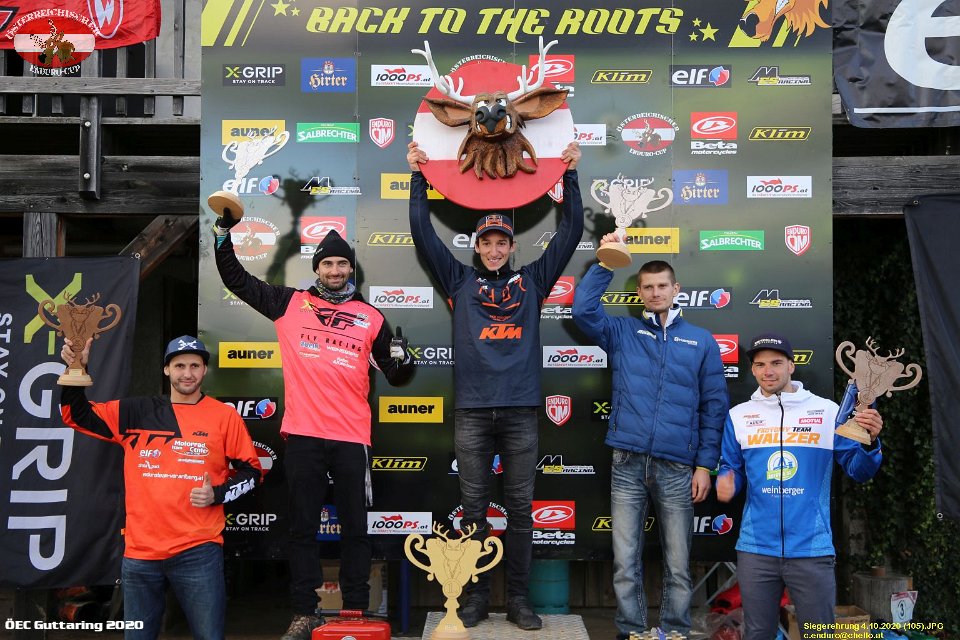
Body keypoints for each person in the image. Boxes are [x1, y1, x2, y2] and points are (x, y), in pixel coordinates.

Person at [406, 140, 584, 630]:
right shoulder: (459, 280)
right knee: (473, 511)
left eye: (501, 242)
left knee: (522, 510)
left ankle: (520, 601)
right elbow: (423, 232)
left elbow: (570, 231)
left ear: (512, 246)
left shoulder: (533, 281)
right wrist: (418, 176)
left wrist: (570, 176)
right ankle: (477, 597)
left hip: (521, 411)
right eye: (485, 242)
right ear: (476, 247)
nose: (493, 249)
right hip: (472, 412)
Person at [212, 221, 414, 640]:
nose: (335, 270)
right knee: (302, 527)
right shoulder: (289, 303)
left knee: (355, 528)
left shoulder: (371, 316)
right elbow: (236, 280)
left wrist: (404, 360)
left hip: (351, 437)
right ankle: (304, 613)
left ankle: (355, 609)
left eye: (342, 264)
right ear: (317, 268)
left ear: (350, 269)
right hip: (303, 434)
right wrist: (221, 236)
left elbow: (396, 377)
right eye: (327, 264)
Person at [572, 239, 729, 639]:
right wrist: (606, 263)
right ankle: (631, 631)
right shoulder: (623, 331)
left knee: (678, 563)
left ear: (676, 289)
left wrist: (705, 465)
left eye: (662, 286)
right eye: (648, 287)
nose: (656, 292)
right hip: (627, 462)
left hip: (678, 466)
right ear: (639, 292)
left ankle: (674, 632)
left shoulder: (701, 341)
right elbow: (583, 310)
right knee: (625, 560)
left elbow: (714, 408)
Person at [59, 335, 262, 640]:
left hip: (198, 549)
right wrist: (76, 367)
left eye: (195, 366)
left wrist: (217, 494)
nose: (187, 373)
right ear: (166, 370)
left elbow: (252, 472)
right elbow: (75, 415)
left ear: (204, 370)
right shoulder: (136, 411)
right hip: (141, 552)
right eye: (179, 366)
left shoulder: (224, 415)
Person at [717, 333, 883, 640]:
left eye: (776, 363)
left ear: (792, 366)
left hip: (811, 548)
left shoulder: (828, 412)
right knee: (757, 634)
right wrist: (727, 480)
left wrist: (871, 443)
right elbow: (731, 467)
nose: (768, 371)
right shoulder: (739, 416)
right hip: (756, 549)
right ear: (752, 369)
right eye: (760, 364)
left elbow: (858, 470)